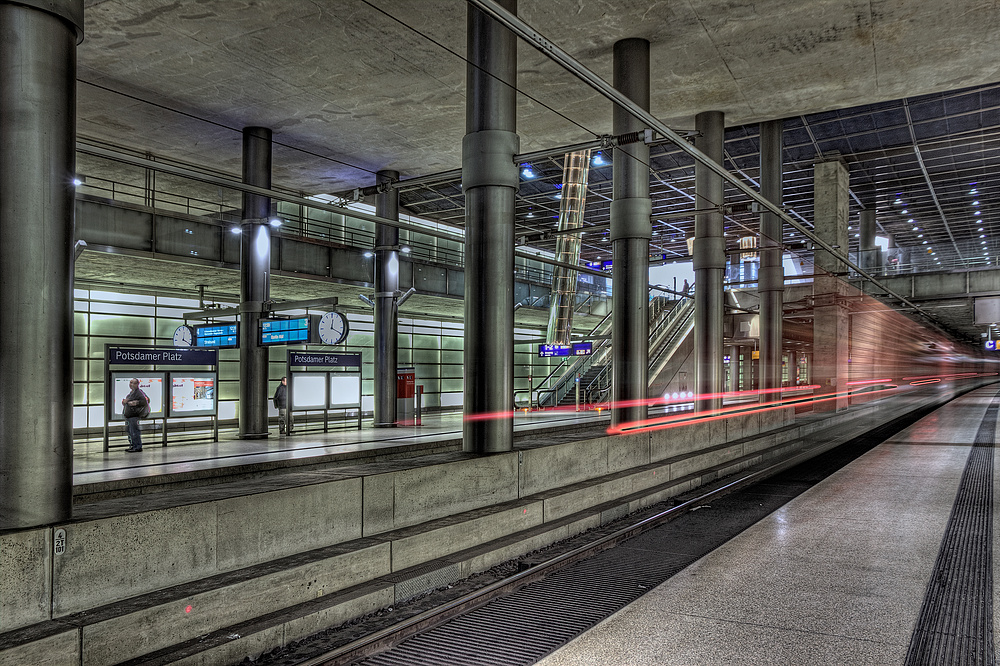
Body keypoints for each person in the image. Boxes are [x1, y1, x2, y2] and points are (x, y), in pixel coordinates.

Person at [122, 378, 149, 452]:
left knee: (134, 432)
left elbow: (144, 401)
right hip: (129, 416)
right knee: (130, 431)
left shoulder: (139, 393)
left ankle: (137, 446)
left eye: (133, 383)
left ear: (137, 384)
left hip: (134, 416)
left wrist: (135, 403)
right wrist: (125, 402)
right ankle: (133, 445)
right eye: (130, 383)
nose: (131, 384)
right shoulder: (131, 393)